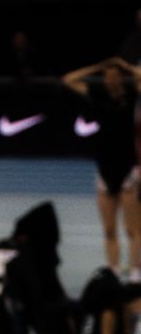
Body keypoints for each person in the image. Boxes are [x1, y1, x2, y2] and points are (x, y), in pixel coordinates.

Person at [61, 56, 141, 277]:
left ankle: (135, 274)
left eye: (115, 75)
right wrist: (96, 66)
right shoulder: (97, 96)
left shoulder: (132, 95)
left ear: (121, 78)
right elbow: (68, 79)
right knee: (109, 230)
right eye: (108, 76)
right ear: (104, 79)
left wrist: (127, 67)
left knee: (132, 229)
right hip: (104, 169)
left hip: (128, 170)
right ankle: (113, 271)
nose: (111, 79)